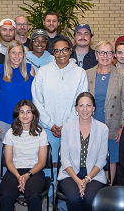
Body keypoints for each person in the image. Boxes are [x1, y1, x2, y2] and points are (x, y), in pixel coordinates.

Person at [31, 37, 88, 173]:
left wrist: (66, 125)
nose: (61, 54)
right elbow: (37, 100)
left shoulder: (80, 73)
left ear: (70, 51)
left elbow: (81, 102)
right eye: (57, 51)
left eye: (64, 50)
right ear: (52, 53)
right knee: (48, 167)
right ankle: (50, 194)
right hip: (47, 129)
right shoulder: (43, 72)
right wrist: (50, 124)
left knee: (69, 167)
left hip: (72, 128)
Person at [85, 40, 124, 184]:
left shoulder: (122, 75)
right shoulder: (87, 74)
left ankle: (109, 189)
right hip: (91, 124)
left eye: (109, 52)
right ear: (96, 55)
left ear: (113, 56)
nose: (105, 56)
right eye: (102, 52)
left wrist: (123, 126)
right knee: (93, 158)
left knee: (111, 161)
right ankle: (95, 188)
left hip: (113, 125)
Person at [58, 92, 109, 211]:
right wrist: (78, 180)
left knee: (90, 199)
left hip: (94, 174)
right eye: (81, 106)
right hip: (70, 173)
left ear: (94, 108)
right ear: (76, 108)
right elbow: (64, 158)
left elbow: (102, 160)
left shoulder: (102, 129)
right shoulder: (67, 127)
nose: (85, 109)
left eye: (88, 105)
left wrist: (87, 180)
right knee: (73, 198)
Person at [0, 100, 49, 211]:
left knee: (34, 195)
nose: (25, 115)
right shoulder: (10, 133)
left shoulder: (41, 133)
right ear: (17, 114)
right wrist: (18, 176)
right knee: (5, 194)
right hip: (14, 171)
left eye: (28, 112)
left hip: (34, 172)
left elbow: (42, 162)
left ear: (33, 114)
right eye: (22, 112)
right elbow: (8, 161)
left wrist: (27, 175)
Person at [0, 42, 36, 138]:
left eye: (20, 53)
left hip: (26, 120)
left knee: (24, 152)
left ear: (24, 55)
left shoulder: (30, 70)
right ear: (8, 54)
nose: (17, 56)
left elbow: (34, 99)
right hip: (3, 119)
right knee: (2, 152)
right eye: (13, 52)